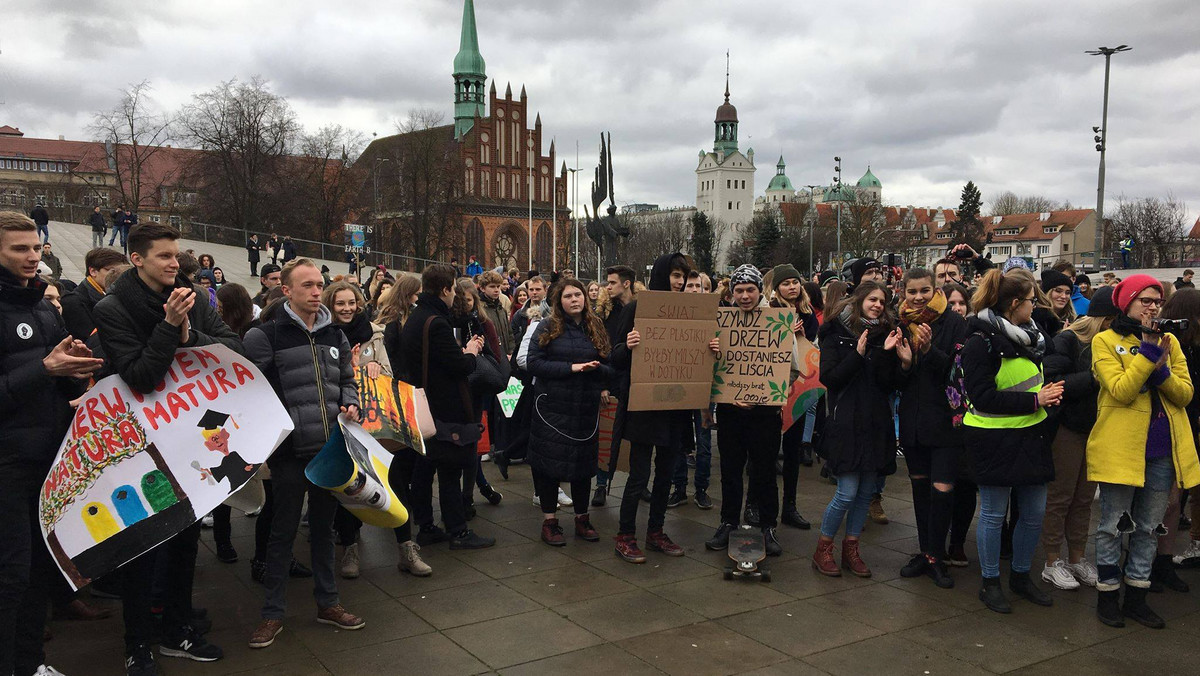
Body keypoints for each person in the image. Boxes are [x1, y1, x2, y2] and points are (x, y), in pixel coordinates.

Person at [92, 222, 240, 672]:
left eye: (176, 255)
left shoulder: (192, 294)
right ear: (137, 259)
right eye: (164, 256)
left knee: (185, 541)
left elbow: (233, 346)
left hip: (189, 435)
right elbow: (139, 375)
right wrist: (170, 326)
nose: (175, 263)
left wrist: (189, 336)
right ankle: (137, 643)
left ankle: (176, 629)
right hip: (142, 442)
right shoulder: (112, 308)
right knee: (144, 547)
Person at [242, 258, 366, 649]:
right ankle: (272, 614)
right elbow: (253, 392)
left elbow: (348, 380)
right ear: (287, 291)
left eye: (319, 284)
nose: (317, 291)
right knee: (282, 532)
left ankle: (328, 603)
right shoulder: (266, 336)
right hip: (290, 452)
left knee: (325, 531)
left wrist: (350, 403)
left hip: (330, 448)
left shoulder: (335, 335)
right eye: (308, 285)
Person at [0, 211, 100, 676]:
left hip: (50, 461)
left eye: (36, 248)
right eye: (20, 248)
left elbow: (59, 366)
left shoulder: (43, 305)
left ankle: (31, 663)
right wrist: (44, 370)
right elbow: (36, 372)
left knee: (41, 569)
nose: (31, 257)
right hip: (7, 464)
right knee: (11, 576)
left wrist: (76, 370)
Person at [1088, 274, 1199, 629]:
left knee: (1149, 528)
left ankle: (1137, 595)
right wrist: (1148, 354)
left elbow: (1185, 394)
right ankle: (1108, 594)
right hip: (1121, 449)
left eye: (1157, 301)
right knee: (1111, 526)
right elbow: (1121, 390)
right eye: (1145, 300)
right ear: (1127, 303)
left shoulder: (1172, 342)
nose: (1153, 307)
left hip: (1163, 450)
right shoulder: (1104, 341)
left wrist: (1161, 369)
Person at [961, 269, 1062, 614]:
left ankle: (1020, 575)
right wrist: (1036, 400)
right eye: (1032, 301)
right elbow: (982, 397)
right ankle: (991, 582)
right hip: (993, 439)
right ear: (1015, 303)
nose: (1037, 306)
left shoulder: (1029, 336)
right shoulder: (980, 342)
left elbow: (1028, 382)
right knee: (992, 514)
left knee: (1033, 513)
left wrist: (1044, 398)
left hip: (1031, 436)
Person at [810, 281, 910, 578]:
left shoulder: (887, 335)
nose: (878, 305)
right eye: (873, 299)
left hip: (876, 423)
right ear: (859, 299)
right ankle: (823, 548)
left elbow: (887, 384)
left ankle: (851, 548)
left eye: (883, 301)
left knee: (866, 492)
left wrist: (901, 362)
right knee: (846, 492)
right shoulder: (834, 331)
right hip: (847, 423)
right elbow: (831, 378)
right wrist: (857, 353)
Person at [399, 263, 496, 550]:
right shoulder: (436, 322)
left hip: (423, 403)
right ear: (444, 289)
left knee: (425, 467)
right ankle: (458, 530)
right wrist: (471, 351)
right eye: (453, 288)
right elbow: (458, 367)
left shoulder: (418, 317)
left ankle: (427, 525)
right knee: (451, 470)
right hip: (443, 406)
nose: (454, 294)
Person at [613, 253, 700, 562]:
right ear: (664, 275)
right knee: (638, 475)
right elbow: (616, 356)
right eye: (675, 275)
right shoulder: (638, 308)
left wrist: (709, 349)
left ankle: (655, 532)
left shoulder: (691, 312)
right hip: (645, 407)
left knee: (665, 473)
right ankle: (625, 534)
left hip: (675, 408)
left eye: (683, 277)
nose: (678, 282)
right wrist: (629, 345)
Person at [894, 267, 969, 588]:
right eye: (912, 292)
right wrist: (906, 362)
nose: (918, 297)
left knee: (943, 490)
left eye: (924, 290)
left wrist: (928, 350)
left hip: (945, 422)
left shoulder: (955, 323)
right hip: (913, 421)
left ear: (935, 288)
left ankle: (938, 556)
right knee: (920, 489)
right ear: (904, 293)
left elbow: (958, 372)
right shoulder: (900, 324)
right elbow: (892, 380)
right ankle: (925, 552)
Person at [1039, 287, 1116, 591]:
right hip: (1068, 429)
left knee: (1084, 499)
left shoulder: (1114, 343)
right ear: (1105, 319)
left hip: (1097, 430)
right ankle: (1051, 561)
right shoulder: (1069, 339)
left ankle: (1078, 558)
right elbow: (1053, 381)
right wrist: (1094, 377)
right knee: (1061, 497)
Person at [525, 278, 613, 546]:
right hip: (552, 410)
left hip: (584, 409)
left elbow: (611, 368)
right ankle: (550, 521)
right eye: (568, 296)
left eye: (578, 294)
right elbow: (533, 363)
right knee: (549, 467)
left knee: (583, 467)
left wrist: (597, 369)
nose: (575, 300)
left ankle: (582, 518)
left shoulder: (595, 326)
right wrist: (571, 368)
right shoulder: (547, 326)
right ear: (558, 301)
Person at [321, 280, 390, 579]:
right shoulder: (323, 335)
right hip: (337, 417)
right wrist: (350, 367)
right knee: (344, 483)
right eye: (340, 304)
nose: (347, 309)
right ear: (331, 306)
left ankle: (404, 544)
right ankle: (349, 544)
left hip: (370, 420)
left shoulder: (374, 334)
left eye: (351, 303)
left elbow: (389, 374)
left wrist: (375, 367)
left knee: (377, 480)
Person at [377, 274, 434, 576]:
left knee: (409, 458)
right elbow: (394, 361)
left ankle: (406, 514)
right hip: (400, 396)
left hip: (406, 393)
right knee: (402, 459)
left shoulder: (401, 318)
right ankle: (403, 519)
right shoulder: (394, 322)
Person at [209, 283, 258, 565]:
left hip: (220, 416)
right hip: (242, 416)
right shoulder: (251, 333)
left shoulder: (219, 336)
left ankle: (223, 539)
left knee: (223, 477)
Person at [768, 264, 818, 529]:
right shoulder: (769, 312)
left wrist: (799, 334)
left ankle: (790, 506)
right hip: (772, 388)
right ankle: (764, 507)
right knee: (765, 452)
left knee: (792, 452)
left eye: (795, 282)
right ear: (776, 288)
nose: (792, 287)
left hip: (798, 390)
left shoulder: (808, 315)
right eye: (786, 283)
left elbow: (809, 349)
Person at [667, 270, 717, 511]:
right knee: (678, 439)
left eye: (701, 286)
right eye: (691, 286)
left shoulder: (718, 316)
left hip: (706, 389)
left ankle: (701, 489)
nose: (696, 290)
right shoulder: (673, 314)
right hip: (679, 386)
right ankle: (679, 488)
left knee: (704, 442)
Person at [592, 264, 638, 506]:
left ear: (626, 283)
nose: (607, 287)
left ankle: (637, 483)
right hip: (611, 380)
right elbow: (601, 351)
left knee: (635, 437)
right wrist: (602, 384)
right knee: (607, 435)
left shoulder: (641, 310)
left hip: (634, 380)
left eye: (611, 282)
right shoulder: (604, 314)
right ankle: (601, 484)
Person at [511, 275, 547, 346]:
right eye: (531, 289)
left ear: (545, 290)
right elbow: (512, 337)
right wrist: (526, 333)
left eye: (538, 289)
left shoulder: (553, 312)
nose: (534, 292)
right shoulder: (519, 314)